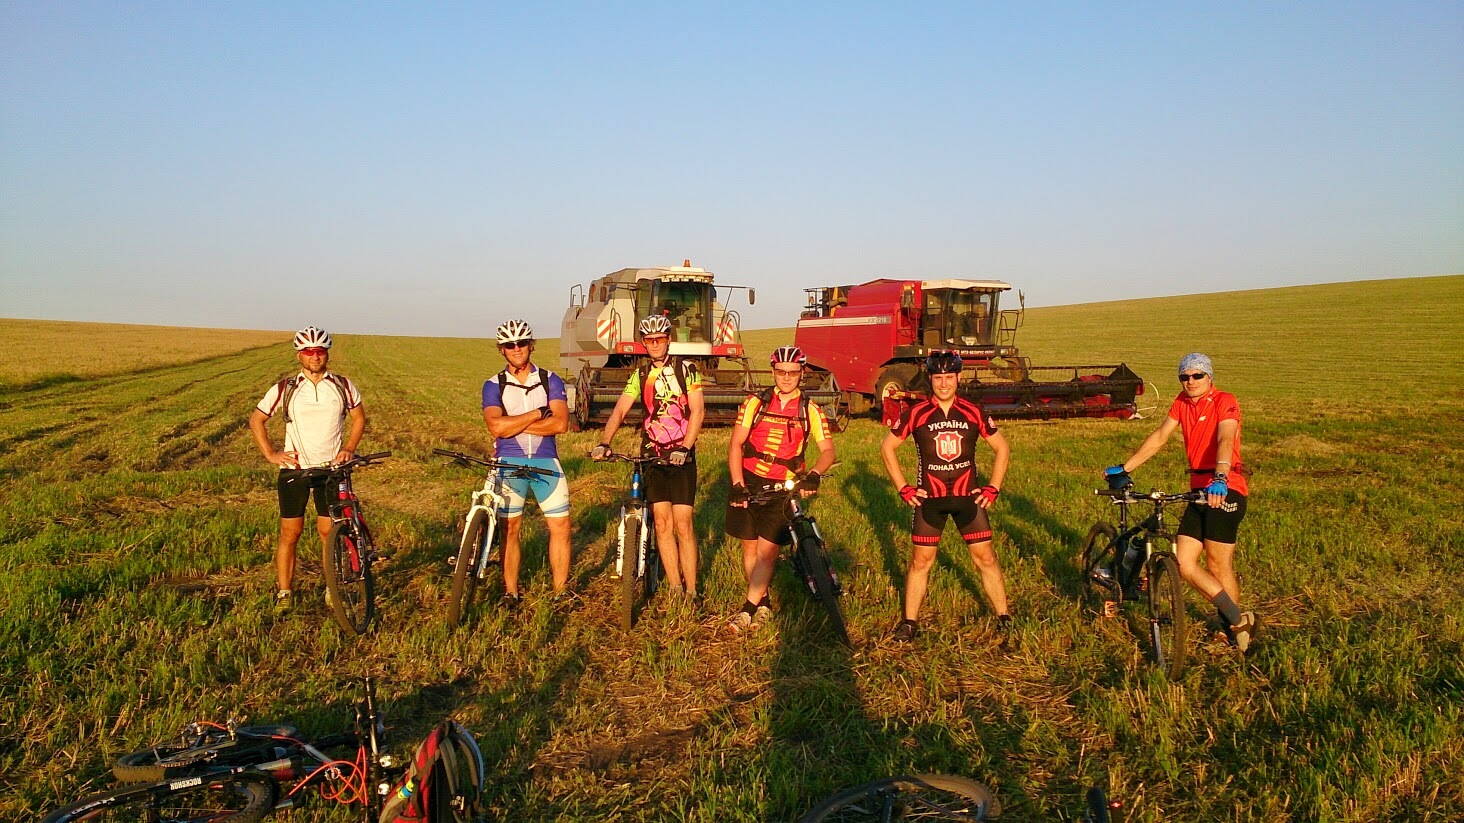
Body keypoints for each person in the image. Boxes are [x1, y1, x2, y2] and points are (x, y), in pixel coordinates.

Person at [1104, 353, 1258, 651]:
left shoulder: (1225, 400)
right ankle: (1239, 620)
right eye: (1184, 377)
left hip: (1226, 488)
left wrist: (1221, 476)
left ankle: (1229, 630)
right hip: (1197, 489)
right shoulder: (1181, 403)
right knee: (1185, 563)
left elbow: (1226, 439)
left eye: (1197, 375)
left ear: (1209, 377)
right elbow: (1160, 436)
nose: (1190, 381)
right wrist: (1125, 468)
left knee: (1217, 564)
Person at [879, 351, 1012, 643]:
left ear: (958, 378)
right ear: (930, 379)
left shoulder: (973, 411)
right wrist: (903, 488)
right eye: (938, 378)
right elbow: (887, 447)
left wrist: (993, 487)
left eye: (949, 377)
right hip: (930, 500)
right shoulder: (916, 413)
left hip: (968, 499)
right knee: (920, 562)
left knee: (986, 558)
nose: (943, 384)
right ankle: (909, 623)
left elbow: (1002, 448)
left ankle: (1004, 618)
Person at [249, 326, 366, 613]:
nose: (315, 356)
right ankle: (285, 593)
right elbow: (256, 420)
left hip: (331, 470)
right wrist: (271, 454)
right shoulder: (286, 388)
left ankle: (331, 589)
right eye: (309, 351)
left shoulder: (342, 385)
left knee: (329, 533)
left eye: (320, 351)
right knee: (290, 533)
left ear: (327, 354)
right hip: (295, 471)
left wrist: (349, 448)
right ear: (299, 355)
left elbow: (359, 418)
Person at [591, 314, 706, 602]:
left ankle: (692, 590)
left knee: (683, 524)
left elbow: (698, 411)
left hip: (681, 455)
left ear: (668, 340)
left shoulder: (687, 370)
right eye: (650, 340)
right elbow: (620, 410)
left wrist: (685, 447)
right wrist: (605, 442)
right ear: (644, 343)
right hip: (653, 454)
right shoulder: (640, 375)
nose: (655, 344)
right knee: (663, 523)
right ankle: (675, 588)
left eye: (660, 339)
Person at [725, 345, 837, 632]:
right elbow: (736, 443)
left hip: (781, 487)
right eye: (781, 372)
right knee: (749, 547)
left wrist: (814, 475)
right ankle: (763, 603)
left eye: (793, 373)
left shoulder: (810, 410)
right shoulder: (755, 403)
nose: (786, 378)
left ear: (802, 374)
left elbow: (828, 451)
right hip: (749, 480)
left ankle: (747, 609)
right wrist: (737, 484)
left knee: (767, 551)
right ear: (773, 371)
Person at [481, 320, 572, 607]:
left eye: (521, 343)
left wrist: (512, 424)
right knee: (510, 528)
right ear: (502, 350)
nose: (516, 349)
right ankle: (511, 592)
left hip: (546, 461)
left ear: (531, 345)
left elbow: (560, 424)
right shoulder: (493, 385)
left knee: (561, 527)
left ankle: (560, 592)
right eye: (510, 345)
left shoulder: (550, 380)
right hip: (509, 462)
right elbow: (495, 427)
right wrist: (535, 414)